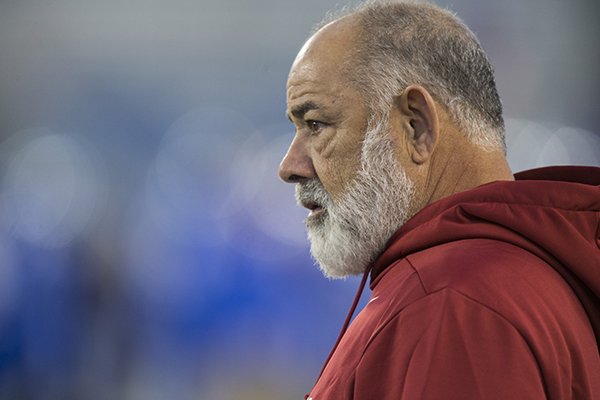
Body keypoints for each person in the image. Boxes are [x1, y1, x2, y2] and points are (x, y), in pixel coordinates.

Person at [278, 1, 600, 399]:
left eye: (316, 124)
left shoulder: (453, 305)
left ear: (416, 126)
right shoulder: (529, 276)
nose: (290, 166)